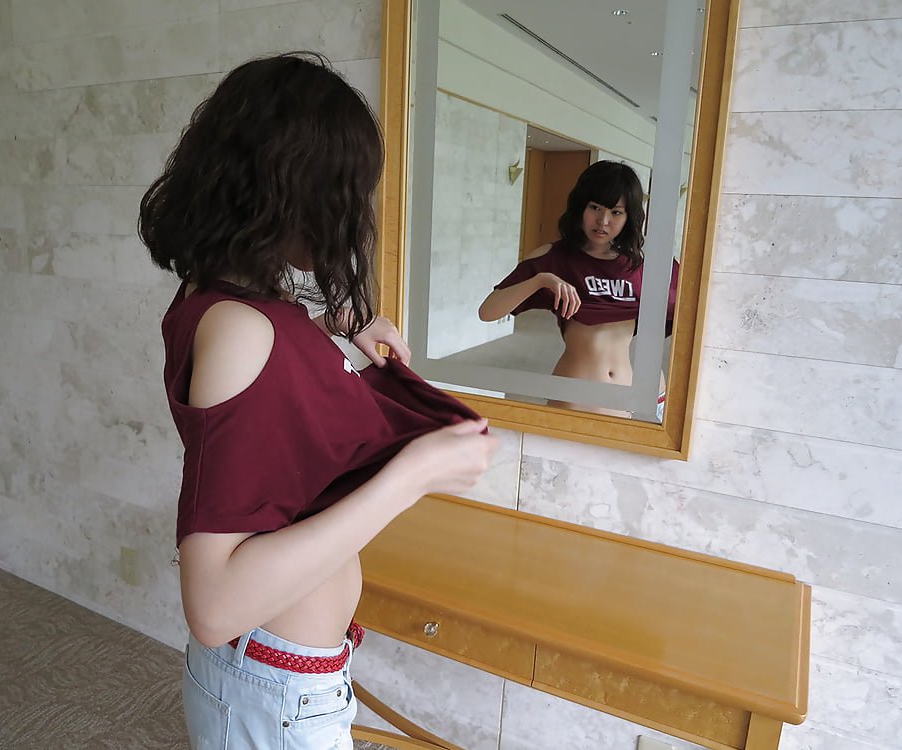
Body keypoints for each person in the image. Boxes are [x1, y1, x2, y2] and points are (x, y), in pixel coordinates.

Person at [138, 53, 498, 750]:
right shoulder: (243, 329)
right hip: (271, 691)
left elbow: (264, 415)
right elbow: (212, 605)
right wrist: (411, 477)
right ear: (293, 190)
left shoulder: (223, 300)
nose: (354, 212)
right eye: (348, 190)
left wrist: (332, 328)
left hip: (275, 679)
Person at [478, 160, 678, 418]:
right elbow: (488, 312)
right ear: (580, 206)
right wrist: (541, 280)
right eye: (595, 207)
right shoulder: (555, 257)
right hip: (577, 395)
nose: (603, 221)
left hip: (632, 396)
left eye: (616, 212)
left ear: (629, 217)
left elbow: (687, 317)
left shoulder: (641, 264)